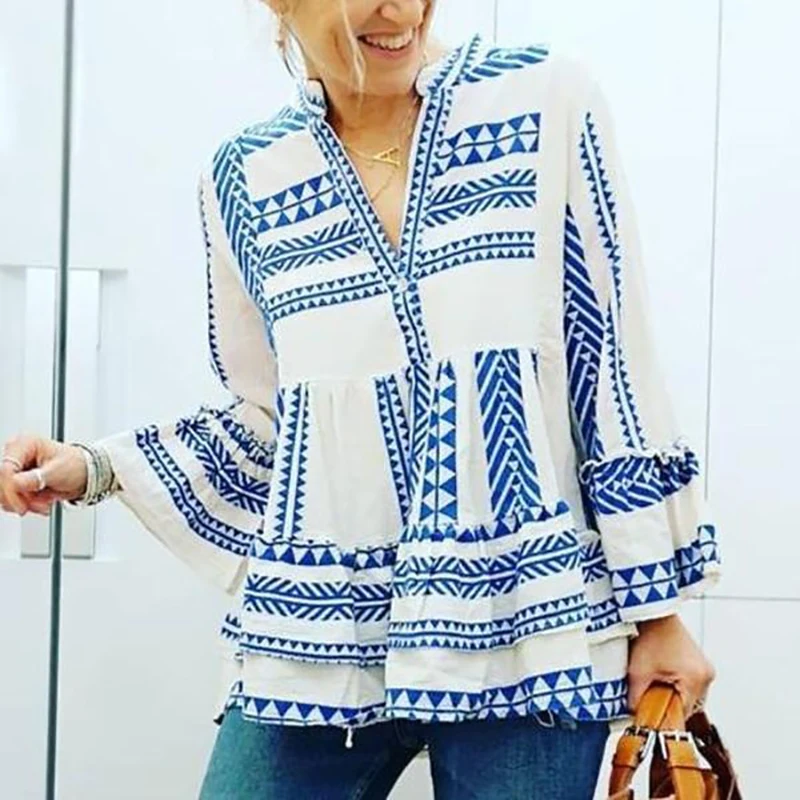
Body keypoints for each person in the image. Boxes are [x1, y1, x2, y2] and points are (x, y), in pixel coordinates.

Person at [0, 1, 721, 797]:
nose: (400, 9)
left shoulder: (544, 102)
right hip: (322, 631)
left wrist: (659, 615)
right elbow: (271, 422)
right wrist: (96, 467)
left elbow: (609, 366)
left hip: (529, 634)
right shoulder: (245, 177)